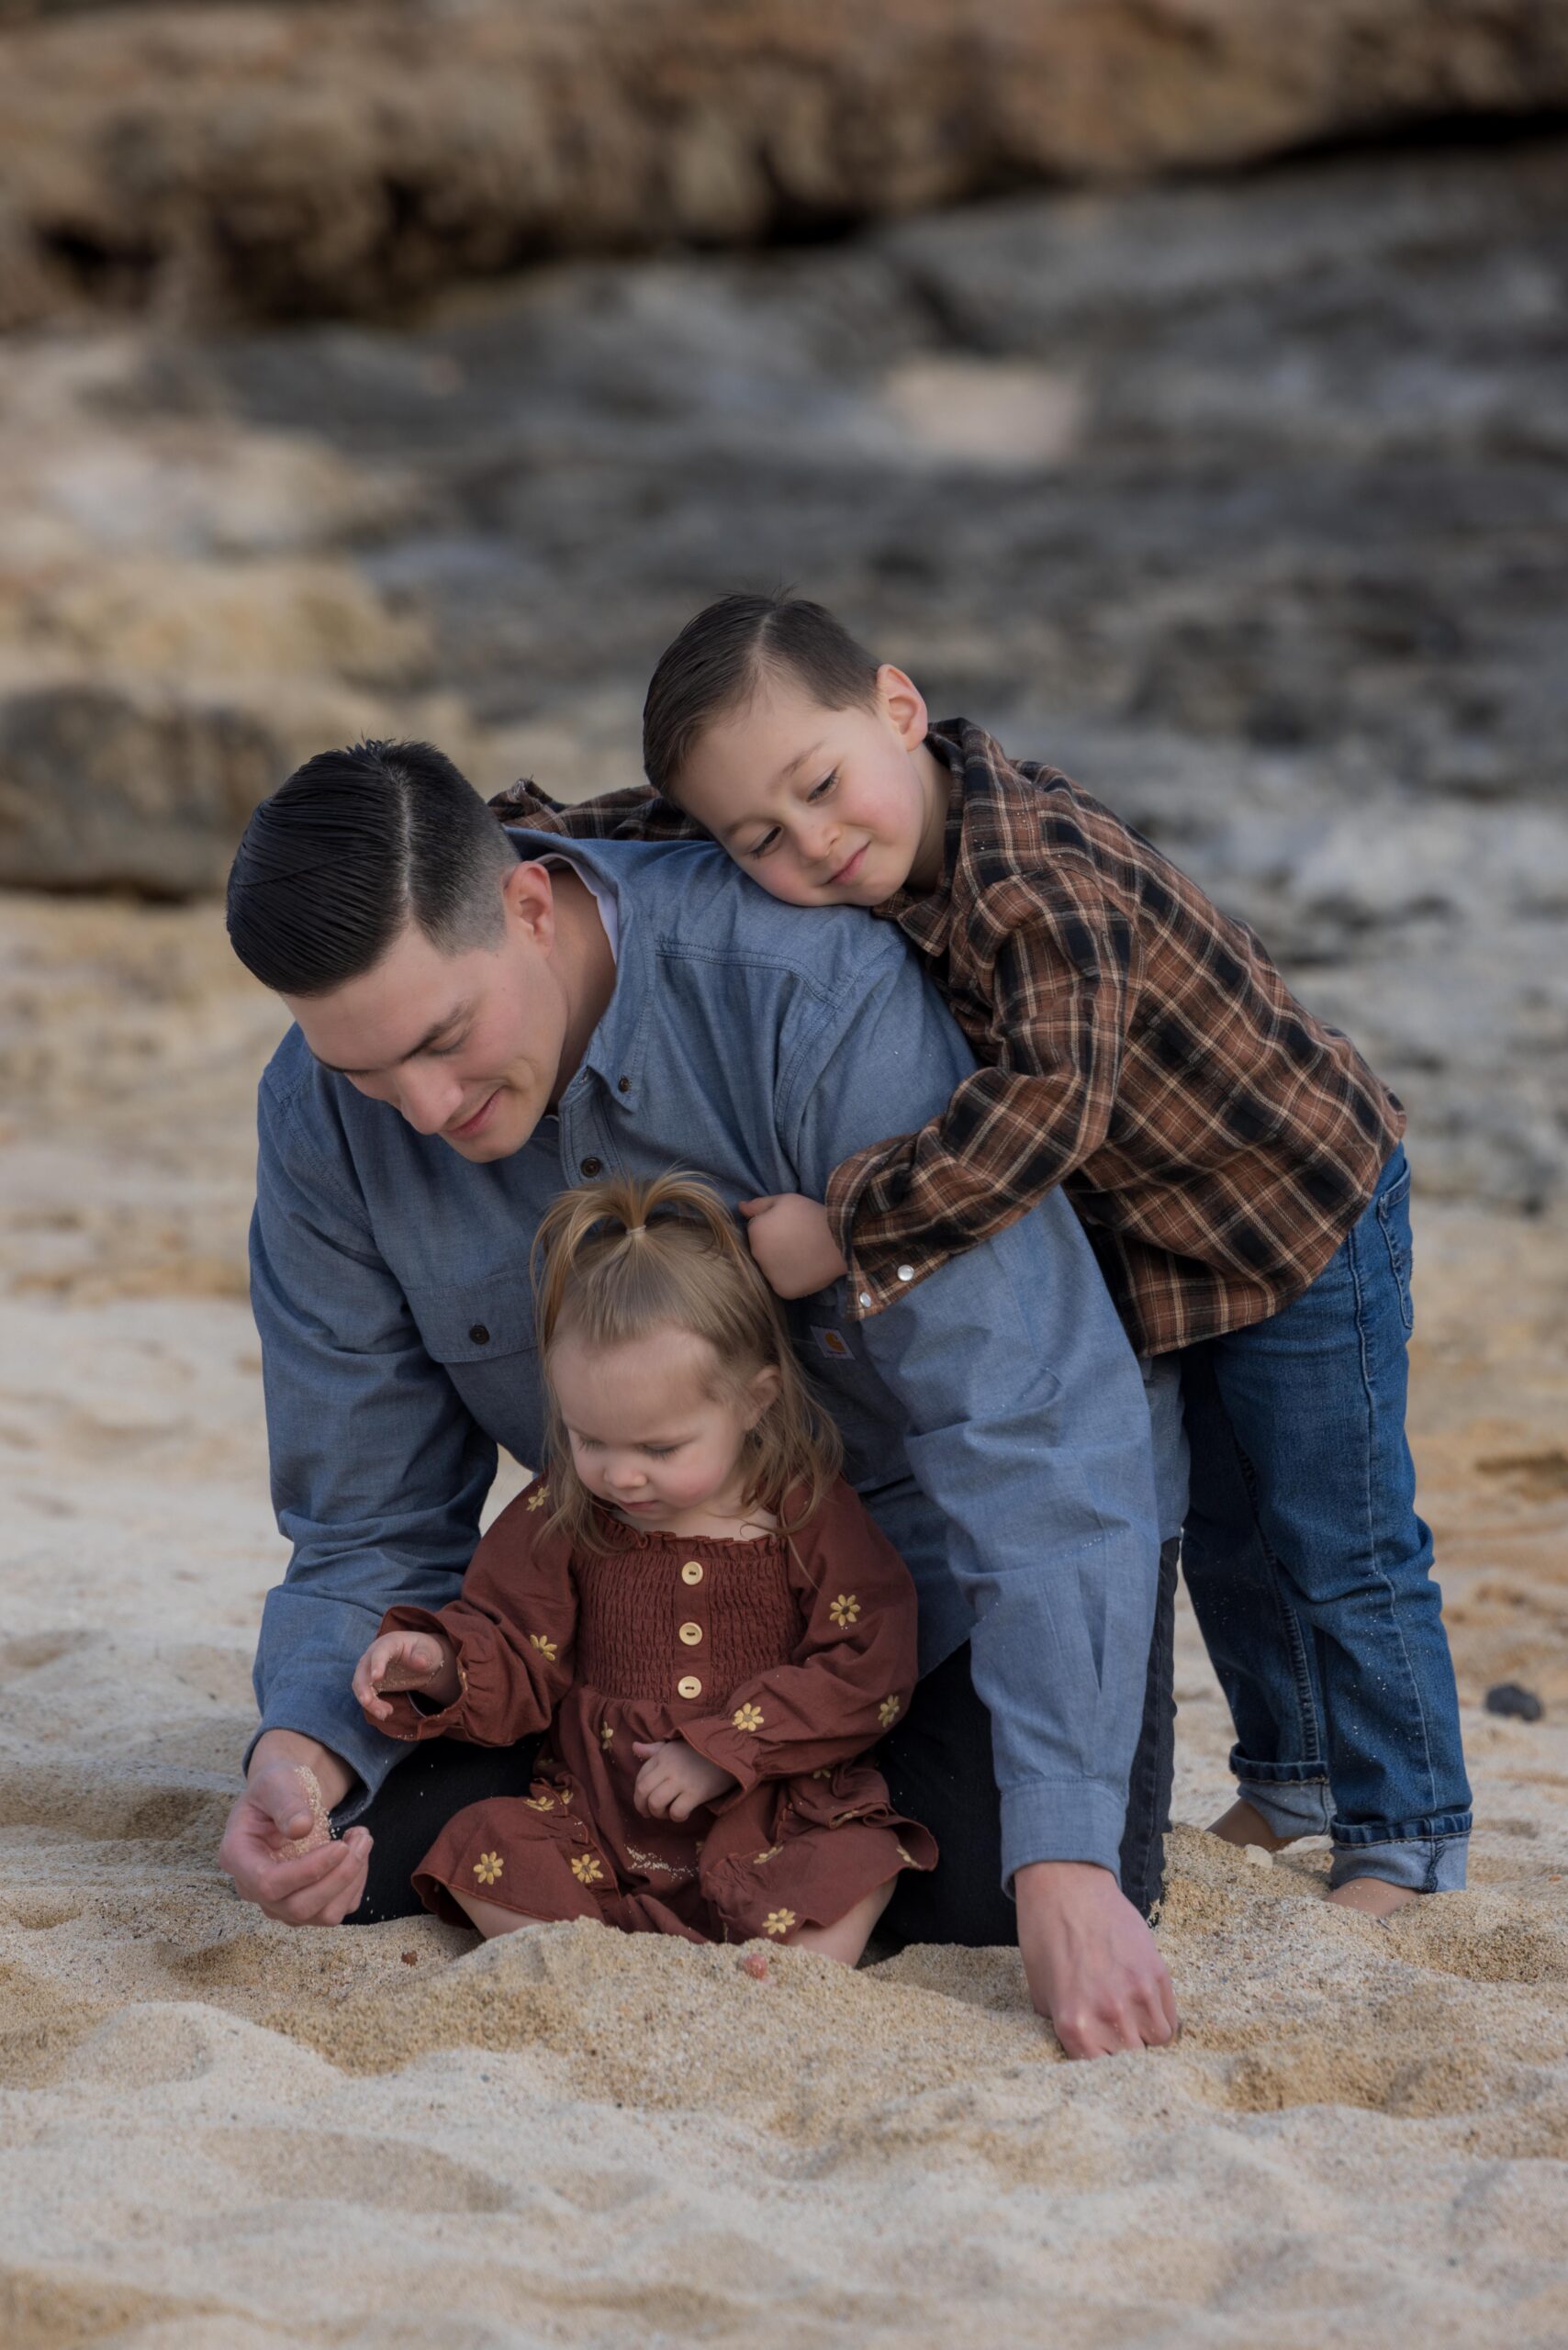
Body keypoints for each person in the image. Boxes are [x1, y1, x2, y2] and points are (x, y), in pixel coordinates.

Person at [501, 590, 1471, 1913]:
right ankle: (1293, 1773)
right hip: (1158, 1254)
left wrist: (846, 1228)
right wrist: (504, 841)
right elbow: (650, 834)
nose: (812, 842)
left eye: (821, 787)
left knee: (1333, 1534)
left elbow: (1045, 1113)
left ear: (898, 708)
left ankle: (1408, 1828)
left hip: (1294, 1214)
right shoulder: (832, 825)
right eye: (761, 838)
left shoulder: (1042, 884)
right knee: (1224, 1529)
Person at [219, 738, 1183, 2058]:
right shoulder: (318, 1115)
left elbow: (1031, 1420)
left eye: (444, 1040)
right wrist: (297, 1754)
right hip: (601, 1636)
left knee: (994, 1894)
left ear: (528, 905)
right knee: (363, 1853)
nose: (423, 1109)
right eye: (366, 1072)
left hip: (929, 1585)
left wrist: (1066, 1857)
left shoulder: (802, 994)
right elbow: (366, 1518)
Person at [352, 1169, 935, 1958]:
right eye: (589, 1439)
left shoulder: (805, 1512)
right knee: (480, 1845)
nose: (621, 1476)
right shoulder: (565, 1509)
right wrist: (442, 1664)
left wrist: (727, 1748)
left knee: (859, 1858)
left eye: (660, 1448)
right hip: (602, 1814)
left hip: (771, 1806)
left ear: (755, 1400)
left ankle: (786, 1983)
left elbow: (868, 1662)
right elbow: (517, 1642)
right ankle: (591, 1966)